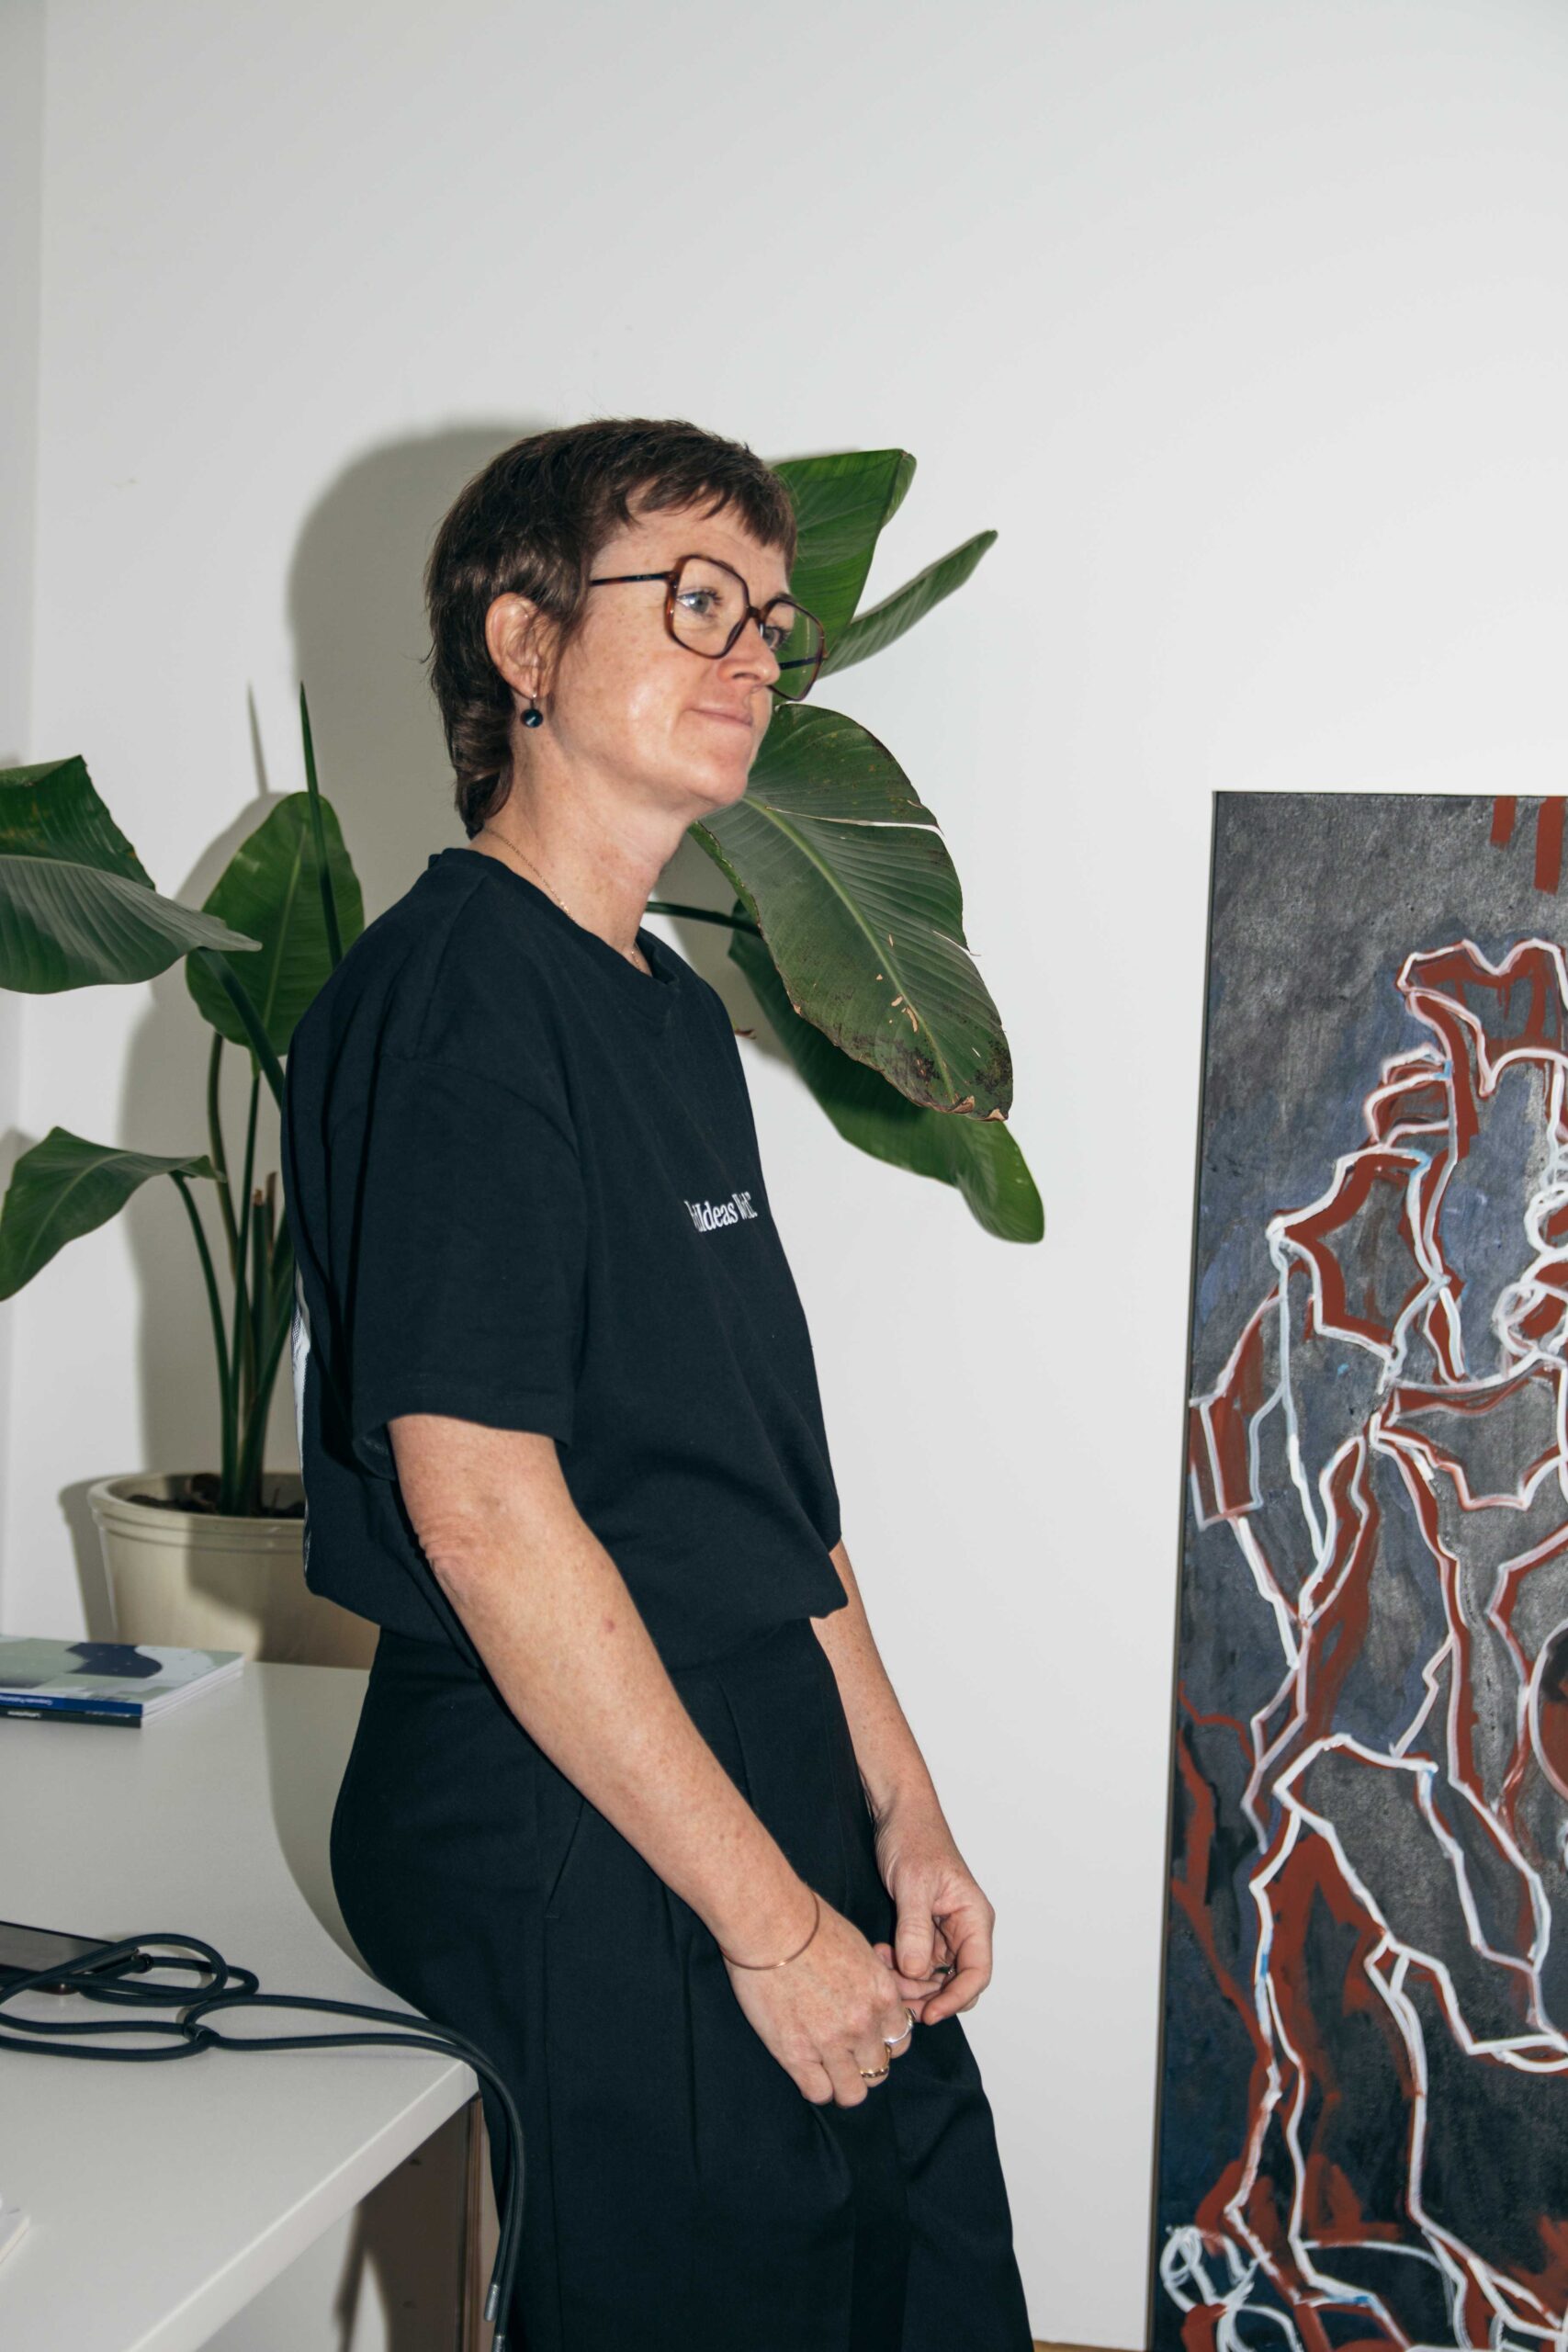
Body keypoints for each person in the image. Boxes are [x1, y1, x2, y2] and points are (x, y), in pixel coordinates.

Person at [280, 416, 1032, 2351]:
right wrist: (769, 1928)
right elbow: (483, 1511)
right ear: (523, 643)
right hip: (566, 1804)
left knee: (921, 2279)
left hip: (749, 1760)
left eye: (767, 619)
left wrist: (902, 1809)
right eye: (693, 598)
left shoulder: (669, 1015)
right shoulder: (454, 995)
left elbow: (769, 1493)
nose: (751, 653)